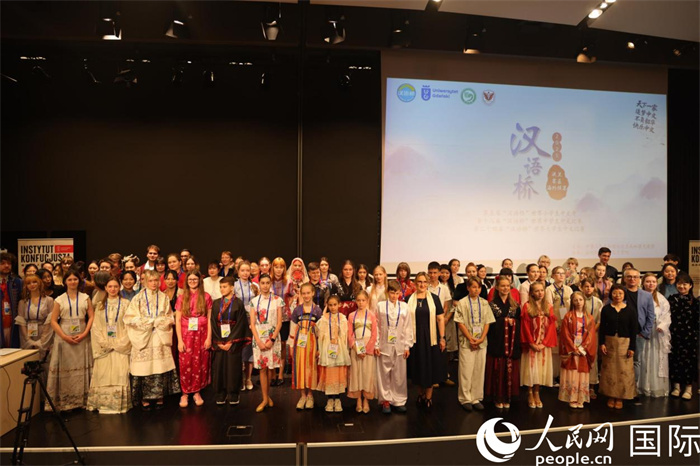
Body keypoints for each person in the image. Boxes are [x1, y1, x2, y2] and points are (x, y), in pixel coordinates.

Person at [124, 270, 181, 410]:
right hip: (143, 336)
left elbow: (169, 317)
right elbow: (129, 318)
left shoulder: (164, 298)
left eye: (156, 280)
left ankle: (159, 396)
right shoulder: (137, 298)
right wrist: (149, 322)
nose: (154, 283)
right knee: (145, 367)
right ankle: (144, 397)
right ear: (145, 282)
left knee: (159, 366)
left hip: (159, 336)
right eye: (150, 281)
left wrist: (159, 322)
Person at [46, 269, 95, 411]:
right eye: (70, 279)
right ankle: (66, 401)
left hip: (82, 337)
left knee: (82, 367)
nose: (73, 282)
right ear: (65, 282)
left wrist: (85, 333)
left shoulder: (85, 297)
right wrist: (64, 336)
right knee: (66, 369)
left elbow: (91, 316)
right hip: (64, 337)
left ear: (79, 281)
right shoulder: (59, 299)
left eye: (75, 279)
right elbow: (53, 321)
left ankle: (82, 400)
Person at [87, 276, 131, 413]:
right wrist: (104, 342)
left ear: (119, 288)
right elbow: (96, 326)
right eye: (110, 286)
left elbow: (129, 325)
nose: (113, 289)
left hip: (120, 344)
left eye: (115, 286)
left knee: (120, 373)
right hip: (104, 345)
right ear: (105, 288)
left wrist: (119, 343)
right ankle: (103, 404)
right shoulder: (100, 305)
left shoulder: (126, 304)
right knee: (103, 373)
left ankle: (118, 404)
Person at [454, 277, 494, 412]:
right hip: (467, 341)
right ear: (468, 288)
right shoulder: (462, 303)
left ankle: (476, 397)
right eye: (473, 287)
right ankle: (465, 398)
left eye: (478, 287)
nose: (476, 290)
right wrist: (470, 338)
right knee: (466, 370)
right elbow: (460, 322)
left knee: (479, 370)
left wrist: (481, 338)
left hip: (481, 342)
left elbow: (488, 322)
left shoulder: (484, 303)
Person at [407, 272, 446, 408]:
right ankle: (420, 394)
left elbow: (440, 319)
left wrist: (442, 338)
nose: (422, 284)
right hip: (414, 338)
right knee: (417, 367)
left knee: (429, 367)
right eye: (419, 282)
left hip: (431, 338)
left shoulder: (434, 299)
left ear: (428, 283)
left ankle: (428, 397)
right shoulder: (408, 299)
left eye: (424, 282)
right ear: (415, 283)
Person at [211, 276, 251, 405]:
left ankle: (233, 393)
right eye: (220, 287)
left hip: (233, 340)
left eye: (225, 286)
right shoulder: (216, 303)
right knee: (219, 366)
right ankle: (220, 393)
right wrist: (219, 341)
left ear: (232, 287)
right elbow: (213, 322)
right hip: (219, 338)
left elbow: (241, 323)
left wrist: (230, 341)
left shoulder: (238, 303)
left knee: (233, 366)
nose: (222, 289)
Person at [375, 280, 413, 414]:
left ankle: (399, 400)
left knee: (399, 374)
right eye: (392, 293)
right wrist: (376, 344)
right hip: (384, 344)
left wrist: (407, 346)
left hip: (400, 344)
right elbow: (377, 326)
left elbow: (408, 327)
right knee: (384, 373)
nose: (394, 296)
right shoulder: (380, 306)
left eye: (397, 293)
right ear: (387, 292)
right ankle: (385, 400)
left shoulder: (404, 307)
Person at [175, 272, 212, 407]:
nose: (192, 281)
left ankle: (197, 391)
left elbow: (209, 319)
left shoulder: (206, 296)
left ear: (199, 280)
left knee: (200, 363)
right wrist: (179, 340)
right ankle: (185, 393)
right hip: (186, 336)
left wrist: (209, 338)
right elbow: (178, 320)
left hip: (202, 335)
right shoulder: (181, 297)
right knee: (185, 363)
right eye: (190, 279)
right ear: (186, 281)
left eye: (195, 279)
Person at [599, 284, 638, 409]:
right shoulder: (606, 309)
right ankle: (611, 396)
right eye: (615, 293)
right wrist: (601, 343)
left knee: (624, 371)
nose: (617, 296)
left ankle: (620, 397)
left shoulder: (630, 310)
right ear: (611, 294)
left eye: (620, 293)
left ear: (624, 295)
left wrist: (632, 347)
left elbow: (633, 330)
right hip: (609, 342)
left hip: (624, 343)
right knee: (609, 370)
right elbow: (602, 328)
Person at [485, 276, 521, 410]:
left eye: (507, 286)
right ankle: (498, 397)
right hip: (497, 343)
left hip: (511, 344)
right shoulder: (491, 305)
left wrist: (513, 322)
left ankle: (508, 397)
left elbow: (519, 322)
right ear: (497, 287)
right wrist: (505, 321)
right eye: (502, 286)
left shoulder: (515, 305)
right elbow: (490, 324)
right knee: (497, 369)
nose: (505, 288)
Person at [249, 274, 283, 412]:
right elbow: (252, 323)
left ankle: (267, 396)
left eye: (267, 283)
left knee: (270, 368)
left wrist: (272, 339)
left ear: (270, 284)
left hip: (272, 339)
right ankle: (264, 398)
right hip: (259, 339)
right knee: (262, 369)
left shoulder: (278, 300)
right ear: (259, 284)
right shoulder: (254, 301)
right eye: (262, 283)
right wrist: (258, 341)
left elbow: (279, 322)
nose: (265, 285)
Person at [520, 282, 556, 409]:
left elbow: (551, 327)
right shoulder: (527, 306)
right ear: (531, 293)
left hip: (543, 345)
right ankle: (530, 392)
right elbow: (525, 326)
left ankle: (537, 392)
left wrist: (544, 343)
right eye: (537, 291)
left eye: (542, 290)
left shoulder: (548, 306)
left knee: (540, 369)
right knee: (531, 369)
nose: (540, 293)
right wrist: (531, 343)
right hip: (532, 344)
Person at [558, 292, 597, 408]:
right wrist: (573, 348)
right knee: (572, 373)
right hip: (572, 350)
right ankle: (572, 397)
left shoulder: (589, 317)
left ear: (584, 301)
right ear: (572, 302)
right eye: (576, 300)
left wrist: (582, 347)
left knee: (581, 373)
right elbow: (565, 334)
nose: (578, 302)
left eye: (580, 299)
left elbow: (591, 335)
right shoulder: (568, 316)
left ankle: (581, 397)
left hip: (583, 350)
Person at [289, 282, 323, 410]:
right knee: (300, 368)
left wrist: (319, 348)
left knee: (311, 368)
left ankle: (310, 395)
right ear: (300, 294)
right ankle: (302, 395)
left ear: (313, 293)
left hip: (312, 344)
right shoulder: (297, 310)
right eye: (304, 293)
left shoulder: (317, 310)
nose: (306, 295)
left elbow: (321, 332)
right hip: (299, 344)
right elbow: (292, 329)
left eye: (308, 293)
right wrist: (291, 346)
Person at [623, 267, 655, 398]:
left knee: (636, 362)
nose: (632, 279)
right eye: (629, 276)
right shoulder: (619, 292)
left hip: (639, 334)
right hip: (621, 335)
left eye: (635, 277)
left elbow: (651, 316)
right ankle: (620, 389)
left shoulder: (647, 295)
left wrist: (645, 333)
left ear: (639, 279)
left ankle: (632, 389)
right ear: (624, 278)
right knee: (621, 362)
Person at [638, 273, 671, 397]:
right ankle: (640, 386)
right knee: (642, 357)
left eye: (653, 281)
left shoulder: (661, 299)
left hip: (656, 332)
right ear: (643, 283)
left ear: (656, 284)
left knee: (655, 357)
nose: (650, 284)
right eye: (648, 281)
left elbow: (666, 315)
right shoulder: (639, 296)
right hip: (642, 330)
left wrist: (662, 325)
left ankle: (654, 387)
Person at [317, 295, 350, 413]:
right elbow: (320, 335)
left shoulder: (343, 318)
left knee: (338, 372)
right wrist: (320, 350)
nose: (333, 307)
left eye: (335, 305)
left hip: (339, 348)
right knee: (329, 372)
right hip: (328, 348)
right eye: (330, 305)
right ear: (327, 305)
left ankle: (338, 399)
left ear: (339, 305)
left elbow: (345, 336)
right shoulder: (324, 318)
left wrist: (344, 349)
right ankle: (330, 399)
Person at [668, 274, 698, 400]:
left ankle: (688, 389)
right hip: (674, 335)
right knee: (674, 360)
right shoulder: (671, 299)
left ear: (690, 286)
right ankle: (676, 387)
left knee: (689, 361)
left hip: (690, 337)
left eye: (685, 284)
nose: (682, 286)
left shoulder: (695, 302)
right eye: (679, 283)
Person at [347, 290, 378, 414]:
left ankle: (366, 399)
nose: (361, 303)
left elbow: (374, 334)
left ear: (367, 301)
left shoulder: (372, 315)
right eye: (358, 300)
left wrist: (367, 349)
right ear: (356, 301)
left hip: (367, 349)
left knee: (367, 373)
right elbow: (350, 334)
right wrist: (357, 349)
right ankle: (358, 399)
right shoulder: (351, 316)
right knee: (356, 373)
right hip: (356, 348)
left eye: (363, 300)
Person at [15, 274, 54, 364]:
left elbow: (50, 321)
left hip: (45, 333)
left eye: (34, 282)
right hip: (27, 334)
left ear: (39, 283)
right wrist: (28, 340)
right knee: (29, 362)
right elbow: (21, 322)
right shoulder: (22, 302)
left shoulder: (49, 300)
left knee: (45, 362)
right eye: (28, 283)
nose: (32, 285)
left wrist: (42, 340)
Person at [427, 261, 454, 386]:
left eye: (435, 272)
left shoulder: (444, 288)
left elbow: (447, 305)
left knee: (442, 349)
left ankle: (443, 376)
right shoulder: (425, 287)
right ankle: (433, 378)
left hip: (440, 321)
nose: (433, 275)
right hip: (428, 322)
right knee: (431, 349)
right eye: (430, 272)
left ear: (439, 273)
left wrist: (443, 317)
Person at [235, 261, 259, 391]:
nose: (245, 273)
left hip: (251, 320)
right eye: (242, 270)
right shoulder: (234, 286)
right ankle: (240, 378)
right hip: (238, 320)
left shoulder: (254, 286)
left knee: (249, 349)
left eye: (247, 270)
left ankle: (249, 378)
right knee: (238, 350)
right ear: (238, 272)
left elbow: (257, 304)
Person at [580, 278, 602, 399]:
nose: (589, 289)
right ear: (581, 287)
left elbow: (599, 320)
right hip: (579, 334)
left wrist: (591, 331)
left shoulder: (598, 302)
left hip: (593, 333)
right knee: (580, 357)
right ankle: (580, 385)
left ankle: (591, 386)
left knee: (592, 357)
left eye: (591, 286)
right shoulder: (578, 300)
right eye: (586, 286)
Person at [271, 257, 291, 386]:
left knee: (283, 344)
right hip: (271, 317)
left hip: (284, 317)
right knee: (272, 343)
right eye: (276, 267)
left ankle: (281, 374)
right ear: (272, 268)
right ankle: (273, 373)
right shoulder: (268, 280)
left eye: (281, 267)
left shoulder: (288, 281)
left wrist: (289, 304)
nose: (279, 269)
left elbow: (294, 294)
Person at [1, 252, 23, 348]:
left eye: (9, 263)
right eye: (2, 263)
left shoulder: (17, 282)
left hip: (12, 324)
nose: (6, 265)